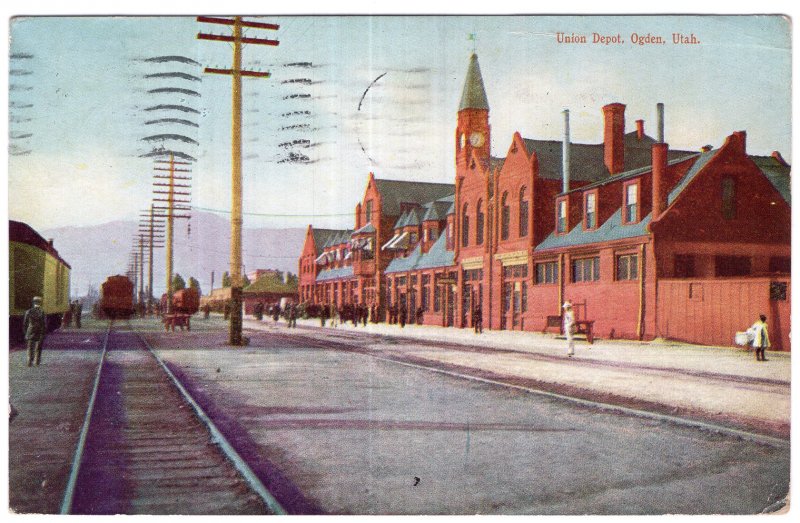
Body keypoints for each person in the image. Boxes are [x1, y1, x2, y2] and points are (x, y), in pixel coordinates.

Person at [24, 296, 47, 367]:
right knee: (38, 348)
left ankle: (29, 362)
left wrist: (26, 332)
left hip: (30, 331)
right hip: (39, 331)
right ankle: (36, 362)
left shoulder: (28, 311)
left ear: (33, 302)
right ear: (40, 303)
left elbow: (25, 323)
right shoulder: (42, 312)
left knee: (30, 347)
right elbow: (44, 324)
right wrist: (44, 333)